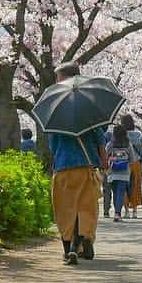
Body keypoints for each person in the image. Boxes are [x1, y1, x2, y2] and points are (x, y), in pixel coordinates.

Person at [46, 62, 107, 266]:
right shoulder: (90, 106)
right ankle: (79, 244)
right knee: (85, 207)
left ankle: (67, 250)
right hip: (86, 166)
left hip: (63, 166)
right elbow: (100, 138)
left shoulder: (55, 111)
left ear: (64, 79)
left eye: (58, 78)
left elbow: (53, 146)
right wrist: (103, 160)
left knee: (65, 208)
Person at [106, 126, 134, 222]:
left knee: (115, 193)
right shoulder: (128, 145)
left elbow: (105, 156)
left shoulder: (110, 144)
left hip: (112, 172)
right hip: (124, 172)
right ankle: (118, 213)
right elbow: (132, 159)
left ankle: (116, 213)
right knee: (121, 193)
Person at [120, 115, 142, 219]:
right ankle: (134, 211)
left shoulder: (120, 134)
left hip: (123, 162)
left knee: (124, 186)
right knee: (135, 185)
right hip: (136, 163)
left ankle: (126, 211)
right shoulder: (138, 134)